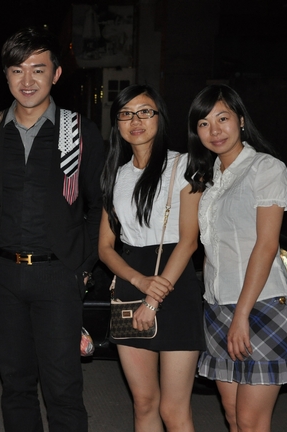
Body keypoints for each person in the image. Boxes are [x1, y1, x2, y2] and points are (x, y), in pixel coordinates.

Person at [0, 27, 104, 432]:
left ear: (56, 74)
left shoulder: (79, 131)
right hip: (2, 276)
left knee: (63, 389)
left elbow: (98, 206)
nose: (27, 80)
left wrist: (82, 267)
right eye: (17, 70)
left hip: (58, 276)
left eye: (38, 69)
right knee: (16, 386)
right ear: (6, 76)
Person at [186, 84, 287, 432]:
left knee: (250, 421)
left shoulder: (266, 168)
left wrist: (242, 314)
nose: (214, 130)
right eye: (204, 123)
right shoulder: (208, 178)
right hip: (218, 305)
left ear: (241, 120)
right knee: (233, 414)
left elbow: (267, 244)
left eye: (223, 118)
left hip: (260, 304)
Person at [98, 85, 204, 432]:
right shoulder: (115, 175)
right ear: (117, 124)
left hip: (174, 283)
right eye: (126, 114)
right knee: (144, 403)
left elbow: (189, 241)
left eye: (145, 111)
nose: (136, 121)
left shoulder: (184, 166)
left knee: (174, 410)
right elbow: (105, 247)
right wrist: (138, 281)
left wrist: (153, 299)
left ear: (160, 117)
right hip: (132, 283)